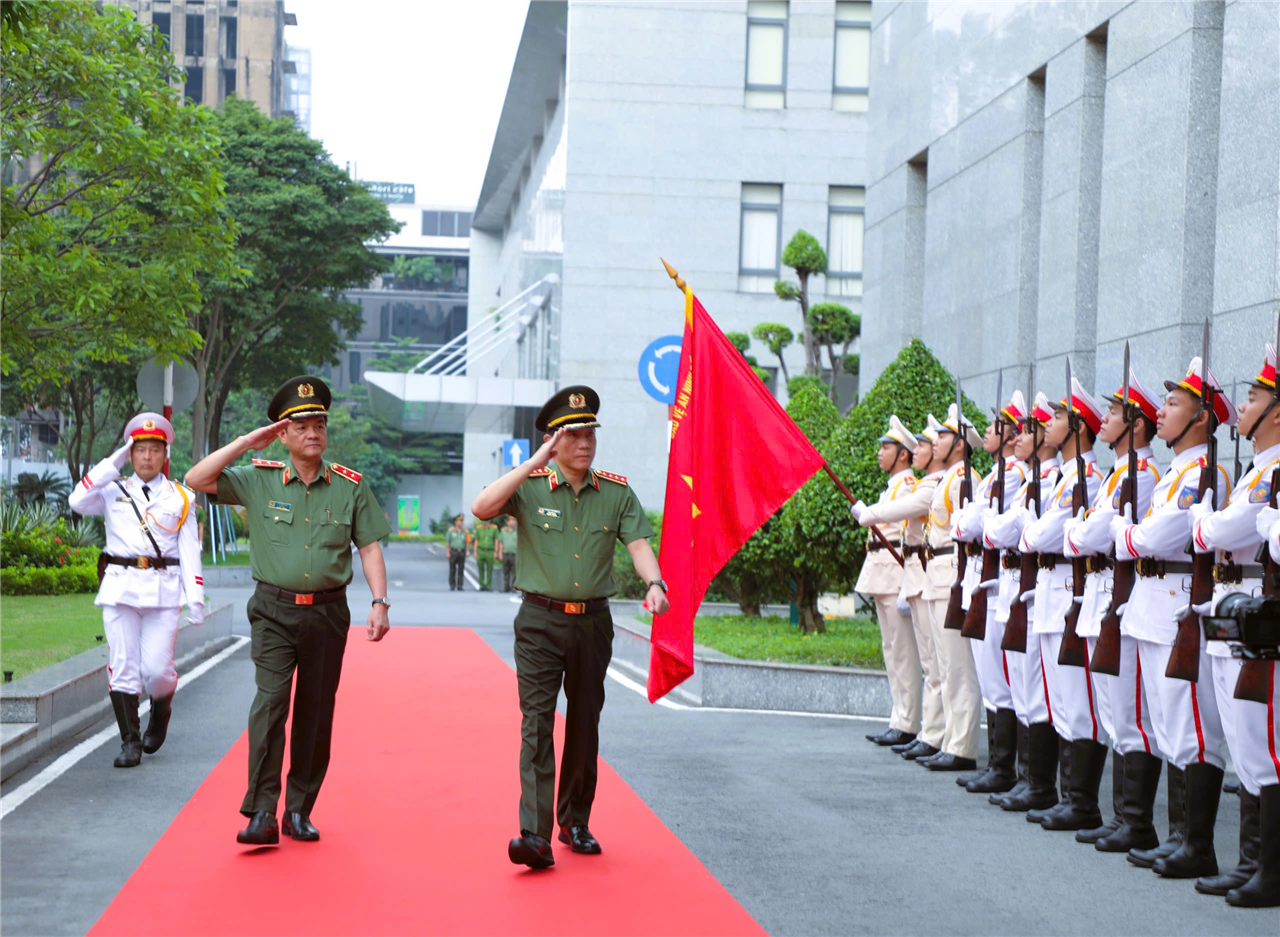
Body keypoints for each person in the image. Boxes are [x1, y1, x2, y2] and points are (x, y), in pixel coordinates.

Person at [185, 375, 392, 846]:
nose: (312, 433)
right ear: (281, 435)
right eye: (300, 426)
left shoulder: (349, 487)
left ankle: (299, 809)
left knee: (316, 712)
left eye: (319, 423)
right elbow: (196, 480)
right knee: (271, 703)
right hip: (275, 612)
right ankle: (262, 810)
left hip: (327, 614)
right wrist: (246, 440)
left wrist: (379, 602)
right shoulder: (257, 479)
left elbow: (370, 548)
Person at [471, 385, 669, 870]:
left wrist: (655, 582)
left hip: (592, 625)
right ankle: (533, 834)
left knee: (584, 722)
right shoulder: (531, 486)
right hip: (539, 621)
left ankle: (575, 821)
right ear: (553, 441)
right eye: (573, 435)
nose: (585, 443)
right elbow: (482, 507)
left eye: (590, 434)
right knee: (536, 724)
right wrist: (535, 460)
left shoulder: (615, 492)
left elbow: (639, 543)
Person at [1111, 356, 1233, 878]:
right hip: (1152, 605)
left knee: (1191, 728)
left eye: (1173, 403)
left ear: (1202, 417)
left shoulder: (1204, 472)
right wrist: (1134, 536)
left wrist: (1127, 536)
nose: (1160, 412)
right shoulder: (1180, 473)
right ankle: (1179, 835)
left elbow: (1157, 537)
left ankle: (1196, 844)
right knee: (1166, 725)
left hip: (1177, 605)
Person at [1194, 343, 1280, 908]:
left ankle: (1269, 870)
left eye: (1253, 397)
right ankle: (1251, 861)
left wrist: (1205, 520)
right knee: (1248, 743)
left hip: (1258, 612)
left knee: (1265, 744)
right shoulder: (1257, 470)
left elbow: (1221, 532)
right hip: (1234, 610)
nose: (1243, 405)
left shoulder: (1273, 471)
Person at [1062, 367, 1162, 851]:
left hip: (1119, 598)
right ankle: (1125, 816)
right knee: (1111, 711)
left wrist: (1085, 529)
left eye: (1115, 413)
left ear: (1136, 426)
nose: (1103, 420)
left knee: (1128, 713)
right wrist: (1085, 529)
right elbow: (1082, 535)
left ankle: (1137, 822)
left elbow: (1092, 535)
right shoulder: (1118, 476)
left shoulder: (1142, 475)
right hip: (1102, 594)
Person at [68, 413, 204, 768]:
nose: (147, 457)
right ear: (130, 454)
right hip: (119, 588)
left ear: (165, 455)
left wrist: (196, 598)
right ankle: (130, 741)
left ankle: (161, 708)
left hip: (163, 591)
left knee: (158, 669)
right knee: (123, 664)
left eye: (154, 450)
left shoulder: (180, 498)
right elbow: (77, 501)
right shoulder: (112, 490)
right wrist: (111, 463)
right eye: (139, 450)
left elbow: (189, 552)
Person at [1019, 378, 1104, 831]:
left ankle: (1082, 801)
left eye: (1056, 418)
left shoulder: (1086, 478)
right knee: (1058, 698)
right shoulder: (1063, 478)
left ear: (1078, 428)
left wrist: (1038, 532)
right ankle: (1068, 794)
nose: (1046, 425)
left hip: (1069, 593)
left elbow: (1039, 535)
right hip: (1051, 590)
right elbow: (1035, 534)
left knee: (1076, 699)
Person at [982, 392, 1061, 810]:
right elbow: (991, 529)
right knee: (1015, 685)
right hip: (1016, 583)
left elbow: (1005, 531)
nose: (1015, 437)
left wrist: (1007, 527)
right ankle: (1025, 776)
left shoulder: (1049, 480)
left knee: (1035, 689)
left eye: (1028, 429)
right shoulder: (1030, 479)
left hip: (1034, 587)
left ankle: (1038, 783)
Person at [950, 390, 1026, 794]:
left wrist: (970, 521)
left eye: (997, 427)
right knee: (990, 676)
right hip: (982, 579)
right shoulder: (996, 474)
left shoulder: (1013, 475)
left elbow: (975, 527)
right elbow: (962, 525)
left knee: (1001, 679)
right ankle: (999, 764)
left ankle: (1005, 767)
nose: (987, 431)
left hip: (998, 583)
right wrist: (970, 520)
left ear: (1012, 437)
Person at [916, 403, 983, 772]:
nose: (936, 440)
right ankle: (950, 739)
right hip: (936, 574)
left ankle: (963, 746)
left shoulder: (962, 480)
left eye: (943, 435)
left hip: (952, 574)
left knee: (958, 666)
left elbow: (964, 534)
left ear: (959, 444)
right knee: (944, 663)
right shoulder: (946, 478)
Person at [851, 415, 924, 748]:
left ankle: (908, 722)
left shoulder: (908, 486)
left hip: (895, 573)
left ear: (904, 455)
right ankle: (899, 718)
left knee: (903, 651)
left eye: (887, 447)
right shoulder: (893, 486)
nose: (880, 452)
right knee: (891, 650)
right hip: (881, 571)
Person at [889, 416, 948, 762]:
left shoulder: (937, 482)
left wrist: (866, 514)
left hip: (935, 573)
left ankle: (935, 734)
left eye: (924, 445)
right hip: (922, 572)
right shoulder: (932, 481)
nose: (918, 450)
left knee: (939, 666)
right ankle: (930, 732)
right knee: (930, 662)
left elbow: (901, 511)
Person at [445, 515, 469, 590]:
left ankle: (460, 585)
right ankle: (452, 585)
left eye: (462, 521)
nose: (461, 522)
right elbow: (448, 542)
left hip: (462, 551)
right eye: (460, 521)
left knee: (461, 569)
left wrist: (467, 552)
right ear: (455, 522)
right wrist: (447, 552)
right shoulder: (451, 531)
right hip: (453, 551)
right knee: (452, 569)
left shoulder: (465, 532)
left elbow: (467, 542)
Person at [474, 517, 499, 591]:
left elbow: (496, 540)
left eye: (487, 519)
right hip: (481, 551)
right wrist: (475, 551)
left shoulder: (494, 529)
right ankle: (481, 585)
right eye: (484, 519)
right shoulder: (479, 529)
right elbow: (476, 540)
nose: (485, 521)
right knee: (480, 569)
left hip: (490, 551)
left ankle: (488, 586)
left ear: (490, 519)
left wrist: (496, 552)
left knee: (489, 569)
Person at [498, 516, 519, 592]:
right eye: (511, 520)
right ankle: (506, 587)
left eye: (514, 520)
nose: (513, 522)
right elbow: (501, 543)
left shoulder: (517, 532)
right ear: (507, 522)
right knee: (506, 572)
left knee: (514, 573)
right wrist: (500, 554)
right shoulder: (503, 532)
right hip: (505, 554)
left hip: (514, 555)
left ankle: (513, 587)